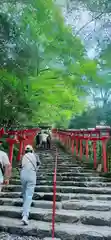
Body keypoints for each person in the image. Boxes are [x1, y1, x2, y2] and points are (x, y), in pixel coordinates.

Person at [20, 144, 41, 225]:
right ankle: (25, 215)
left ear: (25, 151)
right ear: (32, 150)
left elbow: (20, 166)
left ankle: (24, 211)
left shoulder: (23, 156)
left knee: (25, 193)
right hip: (31, 175)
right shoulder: (35, 155)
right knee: (29, 195)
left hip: (23, 174)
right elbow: (39, 164)